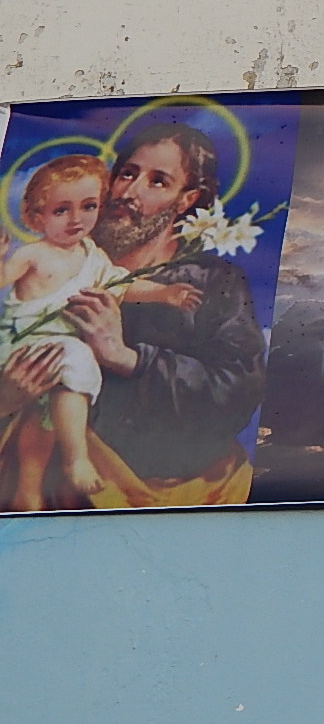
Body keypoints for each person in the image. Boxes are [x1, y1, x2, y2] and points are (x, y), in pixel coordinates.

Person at [0, 122, 268, 510]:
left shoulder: (212, 283)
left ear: (186, 199)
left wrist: (128, 358)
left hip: (169, 501)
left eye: (158, 182)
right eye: (127, 174)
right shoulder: (63, 256)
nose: (129, 192)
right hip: (44, 502)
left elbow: (236, 389)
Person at [0, 154, 201, 510]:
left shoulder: (92, 256)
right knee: (76, 360)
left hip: (59, 351)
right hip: (23, 345)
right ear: (35, 217)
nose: (77, 219)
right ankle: (75, 459)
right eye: (62, 210)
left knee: (44, 423)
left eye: (88, 206)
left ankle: (31, 488)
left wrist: (164, 293)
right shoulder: (33, 254)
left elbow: (122, 285)